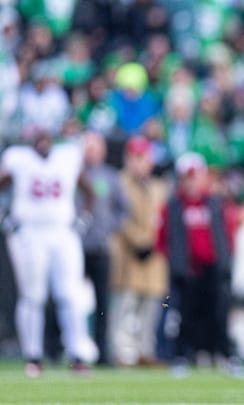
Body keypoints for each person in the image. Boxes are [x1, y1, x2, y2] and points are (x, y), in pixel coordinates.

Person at [0, 128, 97, 377]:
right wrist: (5, 217)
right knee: (33, 295)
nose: (43, 142)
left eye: (46, 137)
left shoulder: (67, 157)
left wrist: (84, 220)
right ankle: (33, 355)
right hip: (30, 233)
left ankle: (78, 354)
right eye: (38, 137)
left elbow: (88, 190)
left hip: (63, 232)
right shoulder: (18, 159)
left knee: (70, 293)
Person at [157, 152, 244, 378]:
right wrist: (175, 264)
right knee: (184, 317)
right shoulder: (174, 205)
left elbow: (227, 235)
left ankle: (226, 356)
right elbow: (163, 238)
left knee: (219, 315)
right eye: (187, 177)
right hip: (187, 271)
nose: (191, 182)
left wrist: (225, 263)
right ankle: (182, 357)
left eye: (195, 176)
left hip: (213, 269)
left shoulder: (215, 203)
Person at [109, 137, 168, 367]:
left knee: (150, 309)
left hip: (154, 256)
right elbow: (119, 217)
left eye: (144, 158)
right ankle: (121, 353)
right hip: (128, 254)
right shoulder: (119, 183)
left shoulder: (158, 186)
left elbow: (162, 219)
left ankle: (145, 351)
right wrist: (139, 240)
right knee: (125, 305)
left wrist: (154, 242)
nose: (141, 163)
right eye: (136, 158)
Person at [80, 132, 129, 366]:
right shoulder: (73, 173)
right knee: (69, 300)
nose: (91, 152)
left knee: (102, 303)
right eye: (87, 147)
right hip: (75, 246)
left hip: (100, 247)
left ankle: (102, 351)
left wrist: (109, 228)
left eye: (94, 147)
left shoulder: (109, 177)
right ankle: (64, 348)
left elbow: (123, 209)